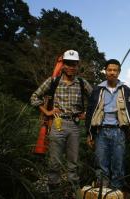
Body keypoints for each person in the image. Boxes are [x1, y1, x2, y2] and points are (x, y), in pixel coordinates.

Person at [30, 50, 92, 193]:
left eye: (74, 64)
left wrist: (87, 114)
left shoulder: (82, 83)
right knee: (54, 161)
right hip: (57, 124)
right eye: (68, 64)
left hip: (75, 125)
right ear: (63, 65)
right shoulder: (53, 81)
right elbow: (34, 97)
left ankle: (73, 190)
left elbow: (96, 100)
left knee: (73, 161)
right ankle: (54, 189)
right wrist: (47, 112)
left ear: (78, 65)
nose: (71, 67)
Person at [85, 59, 130, 190]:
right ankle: (102, 190)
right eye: (109, 70)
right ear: (105, 71)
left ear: (119, 72)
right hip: (101, 131)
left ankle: (116, 191)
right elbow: (90, 111)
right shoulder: (98, 89)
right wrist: (89, 134)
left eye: (115, 70)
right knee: (101, 163)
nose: (112, 72)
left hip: (119, 131)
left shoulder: (125, 89)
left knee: (119, 162)